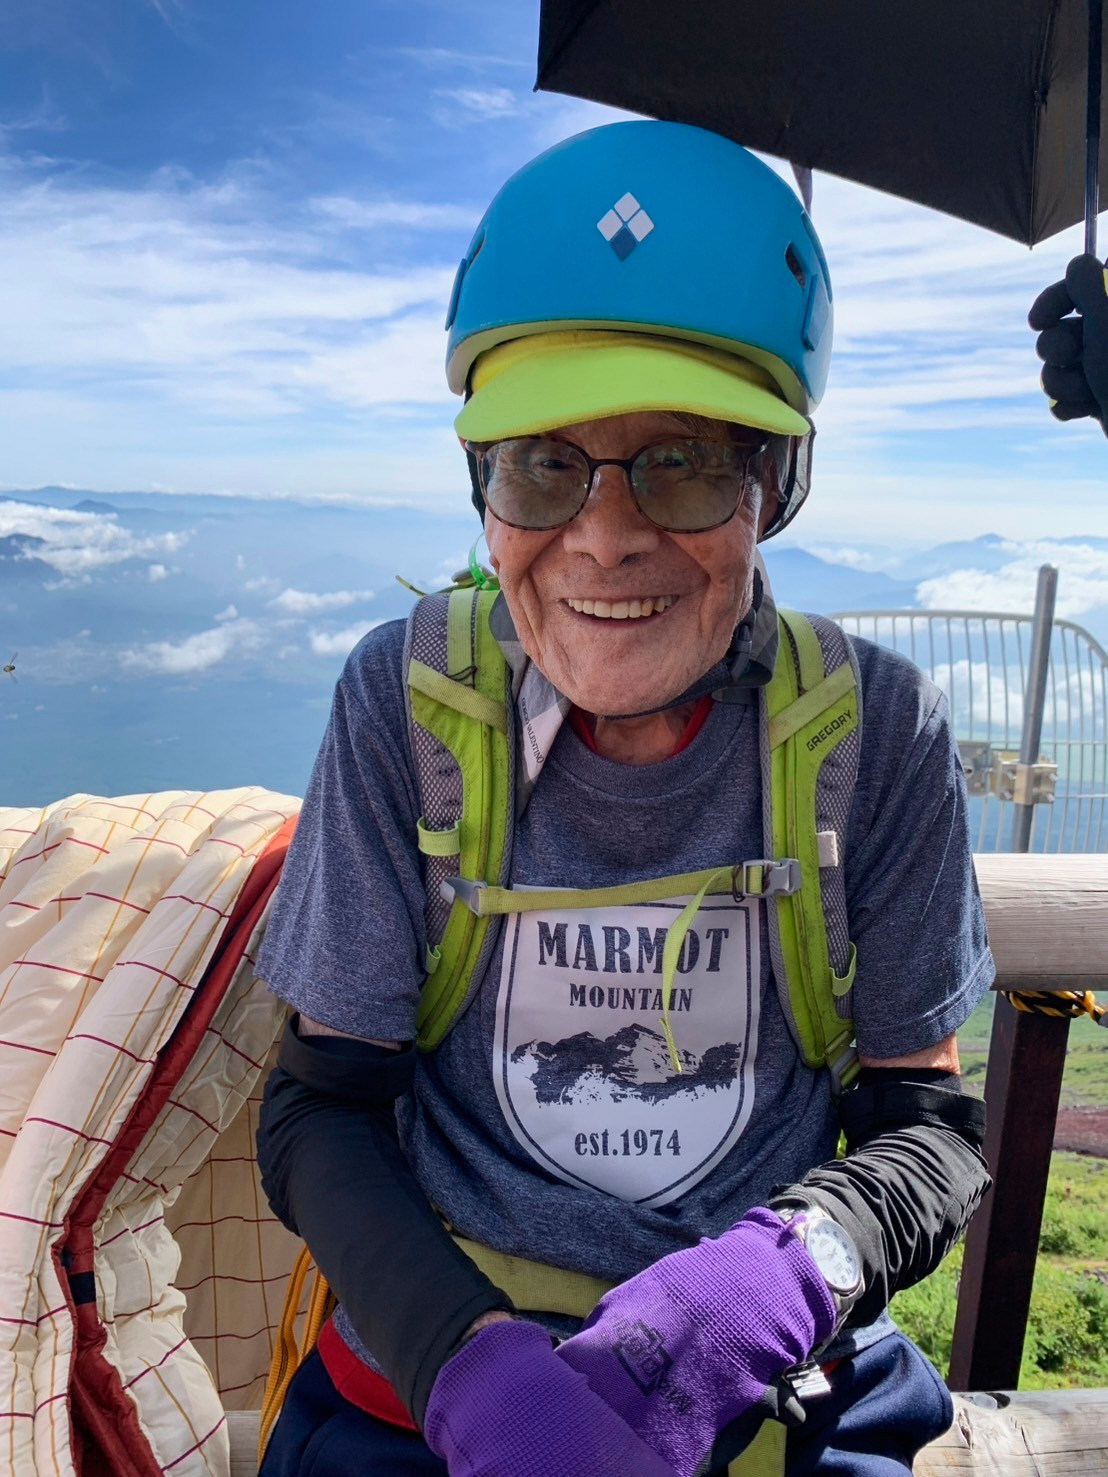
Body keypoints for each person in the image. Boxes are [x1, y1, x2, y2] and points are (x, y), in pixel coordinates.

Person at [254, 120, 993, 1477]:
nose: (604, 531)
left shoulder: (873, 731)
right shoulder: (409, 706)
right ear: (483, 482)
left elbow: (927, 1129)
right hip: (428, 1386)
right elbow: (320, 1107)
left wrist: (774, 1281)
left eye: (688, 455)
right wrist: (467, 1361)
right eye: (545, 460)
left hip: (771, 1388)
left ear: (775, 482)